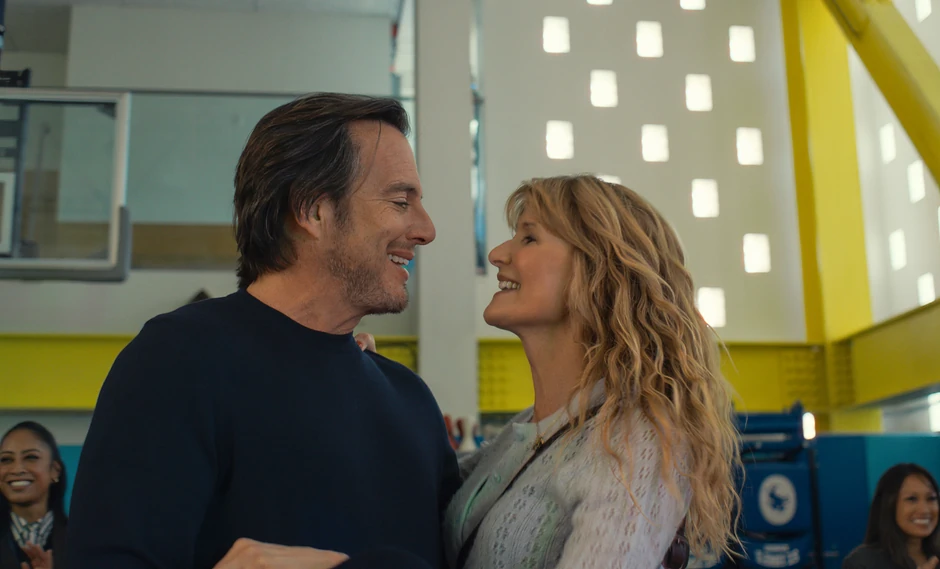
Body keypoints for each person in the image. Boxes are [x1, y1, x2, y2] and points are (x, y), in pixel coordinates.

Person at [66, 93, 461, 569]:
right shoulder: (179, 361)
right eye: (400, 201)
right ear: (312, 210)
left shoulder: (411, 401)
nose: (426, 229)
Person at [442, 175, 740, 568]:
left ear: (596, 269)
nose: (497, 254)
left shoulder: (637, 440)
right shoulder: (529, 430)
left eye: (528, 238)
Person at [844, 463, 940, 569]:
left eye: (931, 498)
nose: (924, 510)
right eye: (912, 499)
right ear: (888, 505)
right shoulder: (861, 562)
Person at [0, 422, 69, 569]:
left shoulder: (82, 540)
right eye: (6, 459)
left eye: (31, 457)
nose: (17, 469)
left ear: (55, 470)